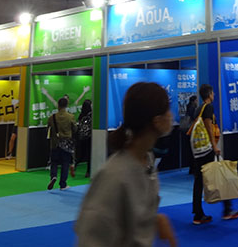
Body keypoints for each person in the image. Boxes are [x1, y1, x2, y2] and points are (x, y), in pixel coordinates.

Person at [74, 82, 177, 247]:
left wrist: (154, 220)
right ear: (157, 121)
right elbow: (92, 236)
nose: (171, 115)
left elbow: (134, 213)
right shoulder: (114, 175)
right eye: (168, 110)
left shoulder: (147, 160)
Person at [190, 84, 238, 225]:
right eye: (213, 93)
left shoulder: (198, 109)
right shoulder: (208, 107)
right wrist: (214, 145)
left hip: (197, 150)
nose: (214, 95)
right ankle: (227, 210)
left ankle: (198, 214)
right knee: (223, 174)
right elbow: (208, 126)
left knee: (198, 180)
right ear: (209, 94)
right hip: (206, 148)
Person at [47, 97, 77, 191]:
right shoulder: (70, 117)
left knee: (54, 162)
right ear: (66, 105)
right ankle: (63, 184)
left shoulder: (52, 117)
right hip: (66, 143)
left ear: (58, 105)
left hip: (54, 143)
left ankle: (53, 176)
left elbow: (48, 128)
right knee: (65, 163)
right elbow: (75, 129)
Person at [76, 99, 92, 177]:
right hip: (89, 137)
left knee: (82, 154)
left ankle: (74, 164)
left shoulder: (81, 115)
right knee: (89, 155)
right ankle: (88, 171)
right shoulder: (91, 115)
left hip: (82, 137)